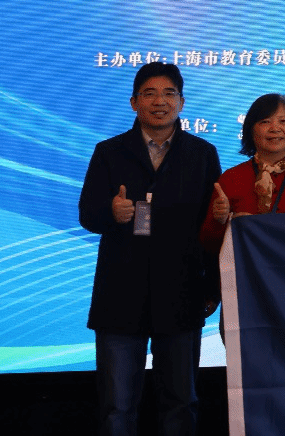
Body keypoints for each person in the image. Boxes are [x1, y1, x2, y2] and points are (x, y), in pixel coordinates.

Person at [78, 62, 221, 436]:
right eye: (150, 94)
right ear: (134, 102)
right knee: (117, 407)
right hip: (120, 295)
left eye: (169, 94)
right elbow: (87, 214)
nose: (160, 102)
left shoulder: (202, 154)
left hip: (181, 293)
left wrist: (212, 288)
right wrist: (110, 213)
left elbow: (210, 228)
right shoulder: (109, 152)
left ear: (182, 102)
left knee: (181, 403)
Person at [199, 93, 285, 258]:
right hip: (244, 270)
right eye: (265, 121)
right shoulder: (231, 178)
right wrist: (220, 221)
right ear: (250, 130)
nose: (275, 128)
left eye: (283, 121)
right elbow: (208, 245)